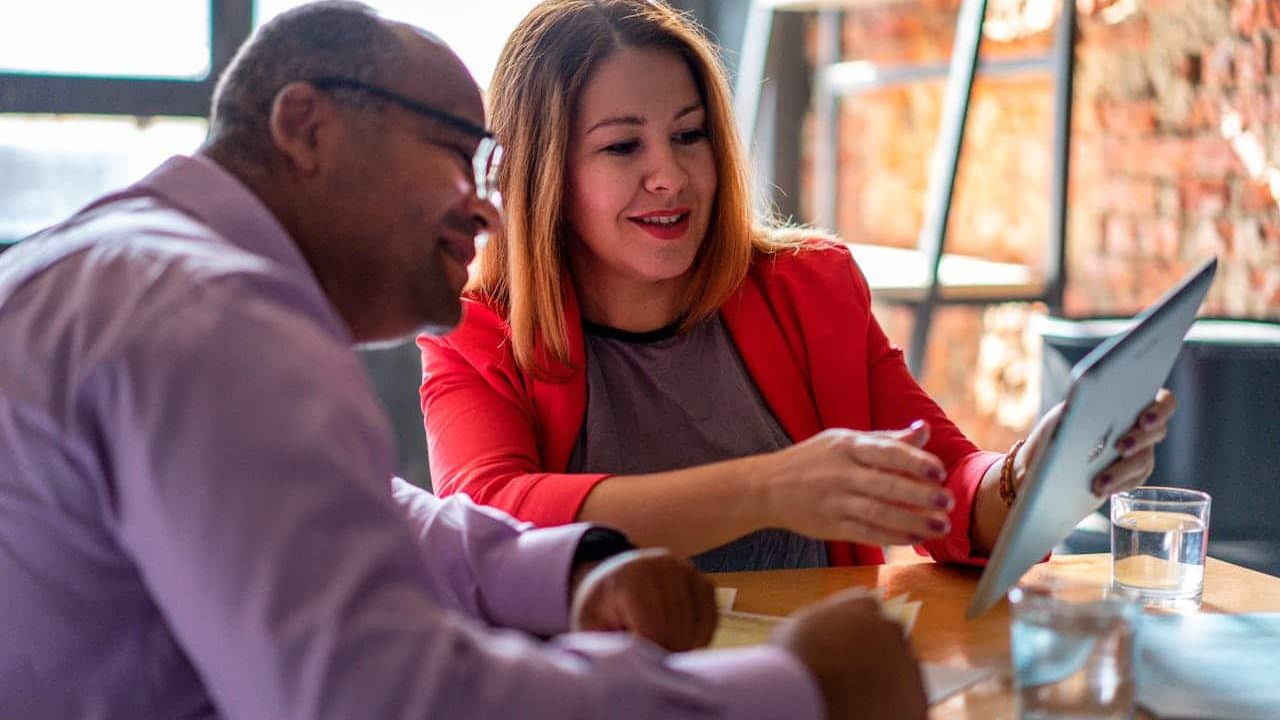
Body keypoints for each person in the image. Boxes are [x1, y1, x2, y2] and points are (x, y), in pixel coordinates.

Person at [0, 3, 929, 719]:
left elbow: (367, 511)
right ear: (305, 128)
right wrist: (791, 690)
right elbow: (384, 699)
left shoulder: (116, 269)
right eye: (458, 153)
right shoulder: (214, 316)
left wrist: (567, 571)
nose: (488, 208)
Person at [418, 0, 1176, 572]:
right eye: (623, 146)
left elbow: (943, 486)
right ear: (541, 174)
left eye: (690, 134)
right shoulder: (476, 334)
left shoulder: (808, 288)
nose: (672, 175)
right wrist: (770, 488)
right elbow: (487, 521)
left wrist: (1027, 480)